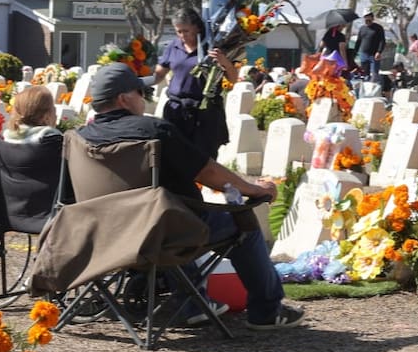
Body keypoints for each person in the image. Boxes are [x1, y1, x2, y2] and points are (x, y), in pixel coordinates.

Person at [77, 63, 306, 330]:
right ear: (123, 99)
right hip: (162, 232)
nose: (144, 97)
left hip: (104, 233)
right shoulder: (153, 132)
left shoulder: (79, 138)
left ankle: (195, 303)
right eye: (140, 92)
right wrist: (255, 190)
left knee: (174, 213)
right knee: (241, 223)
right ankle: (266, 310)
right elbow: (207, 171)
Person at [147, 8, 233, 160]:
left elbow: (233, 78)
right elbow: (159, 75)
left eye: (185, 31)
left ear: (197, 27)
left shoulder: (213, 46)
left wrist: (224, 61)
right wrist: (136, 80)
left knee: (204, 159)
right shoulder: (173, 46)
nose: (182, 36)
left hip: (205, 112)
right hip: (176, 110)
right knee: (175, 157)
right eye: (178, 31)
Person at [356, 12, 386, 81]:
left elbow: (382, 41)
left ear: (372, 19)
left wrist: (379, 52)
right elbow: (358, 41)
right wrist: (355, 52)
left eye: (369, 20)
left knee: (374, 75)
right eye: (366, 20)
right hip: (363, 54)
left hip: (374, 55)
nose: (367, 22)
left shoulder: (378, 28)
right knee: (364, 74)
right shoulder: (362, 28)